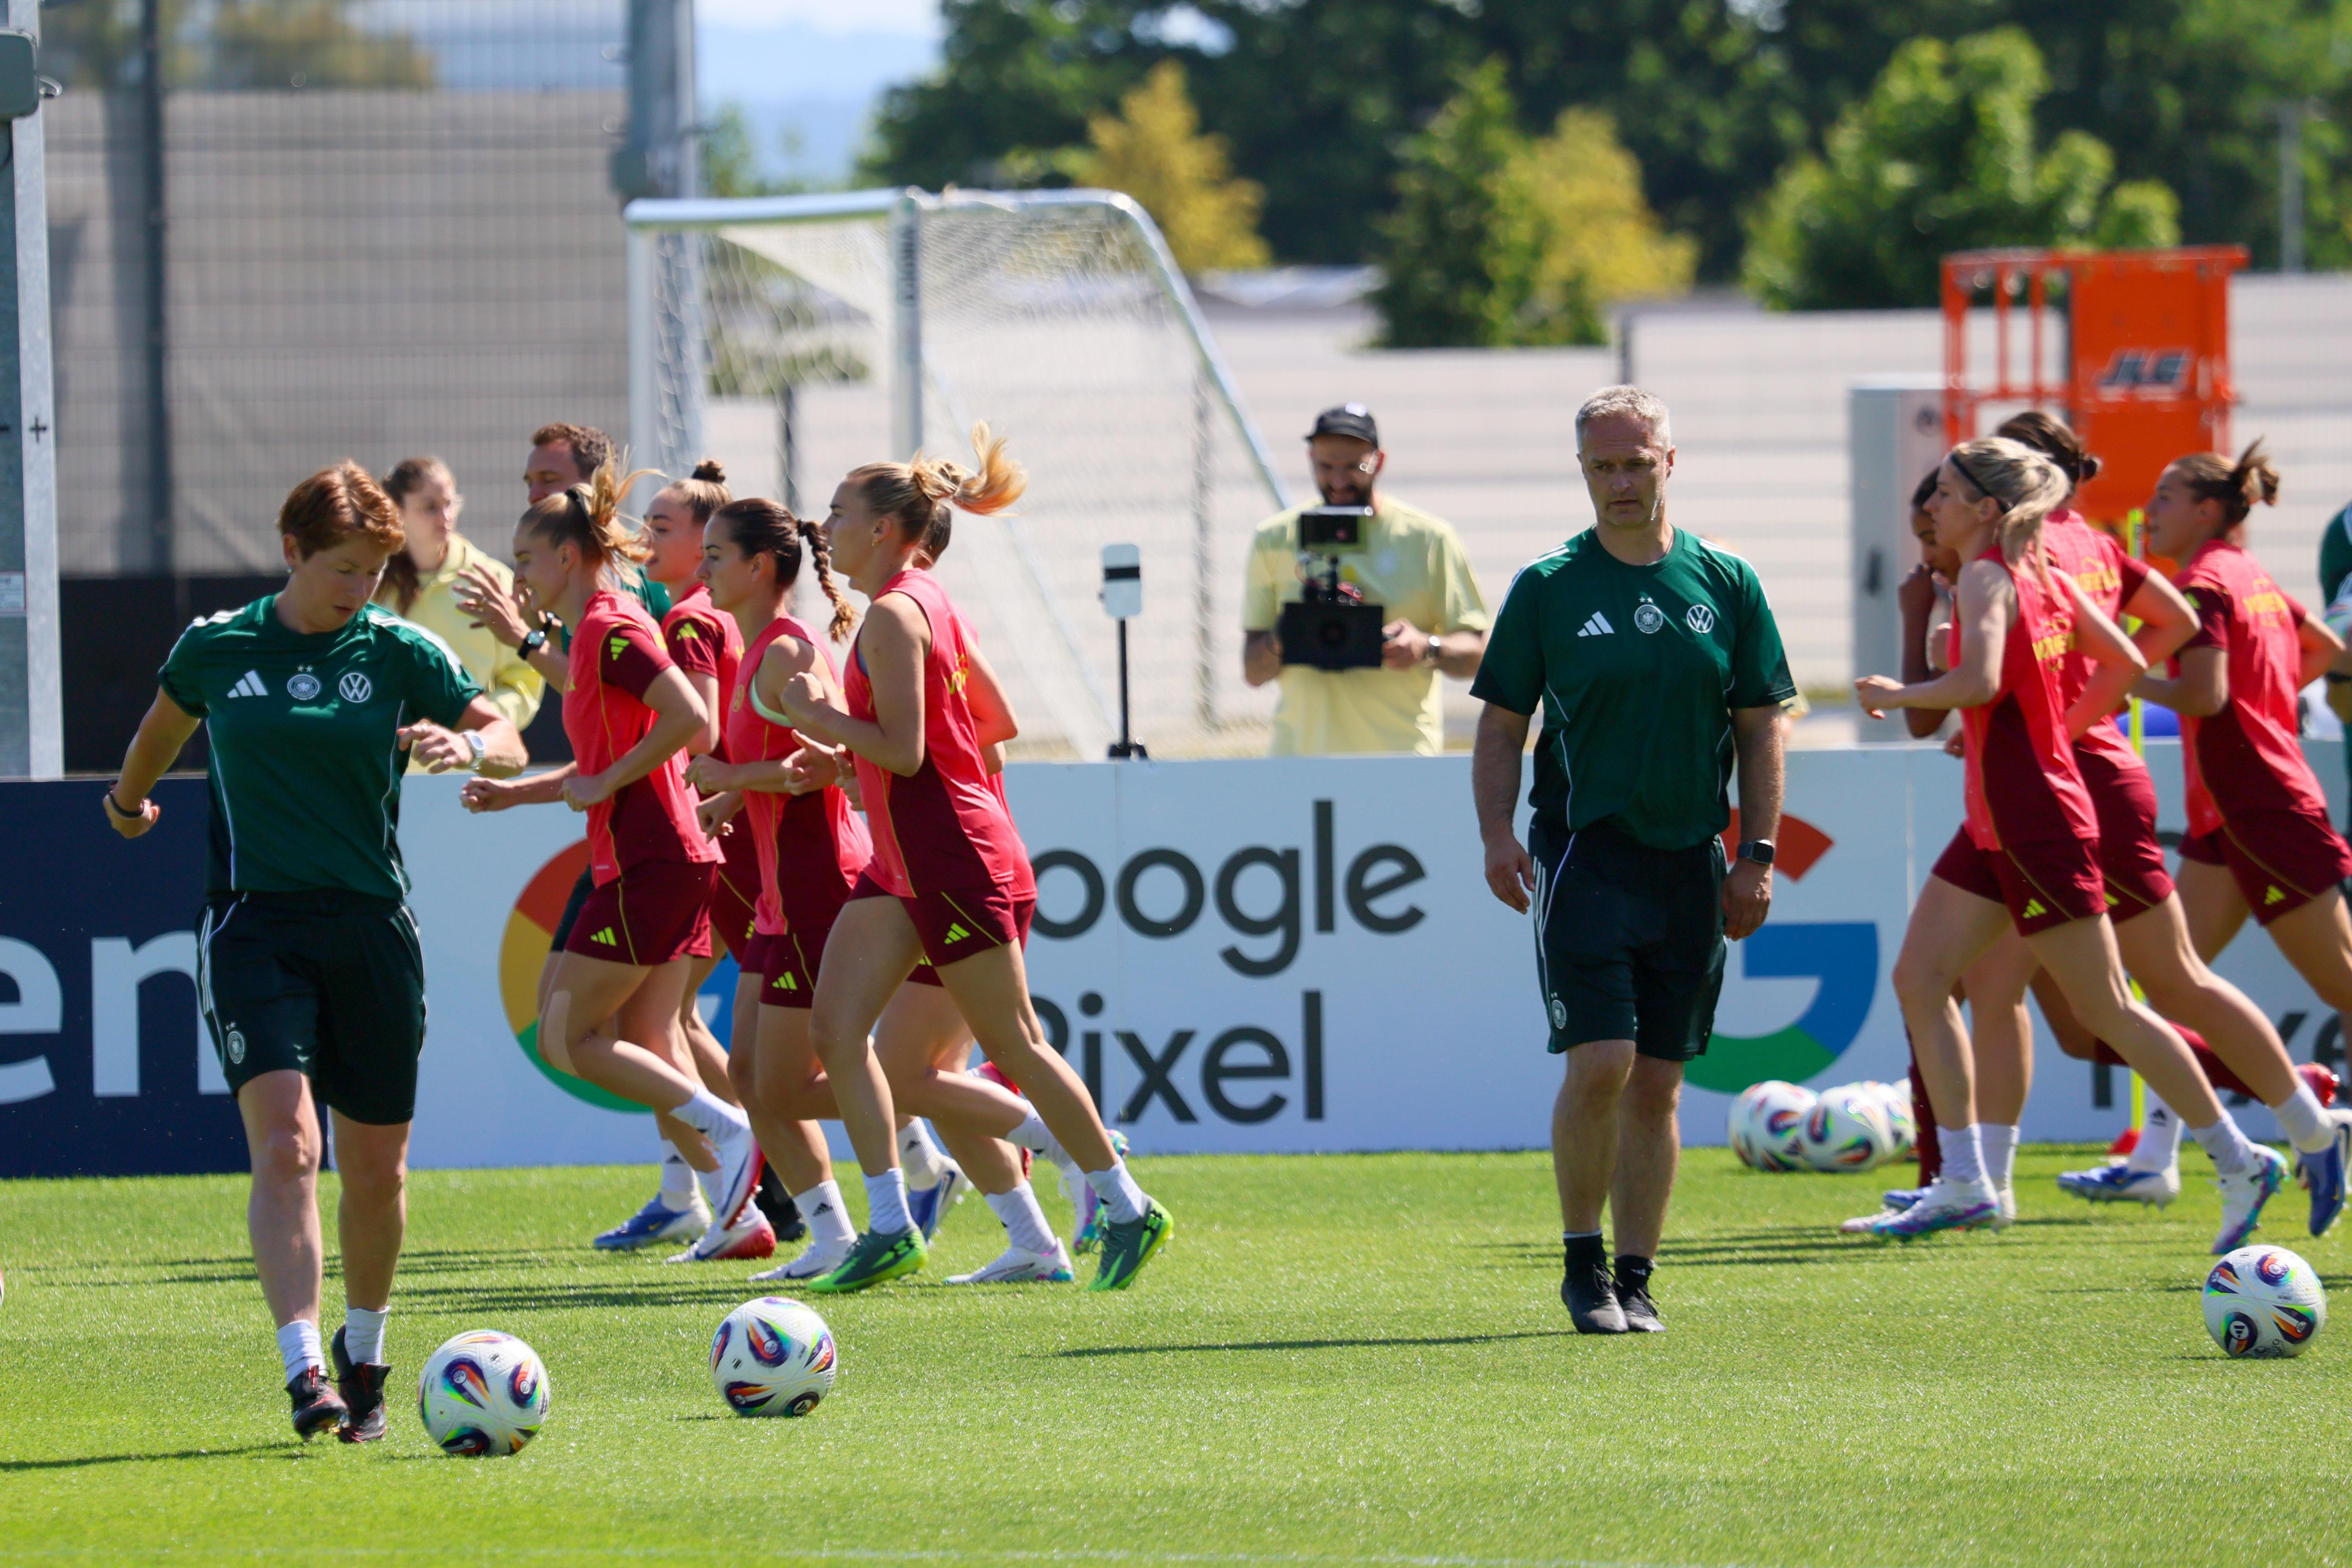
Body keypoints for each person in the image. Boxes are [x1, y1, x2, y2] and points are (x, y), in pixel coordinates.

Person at [105, 462, 527, 1441]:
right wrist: (127, 809)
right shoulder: (219, 646)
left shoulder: (397, 649)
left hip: (374, 928)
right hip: (253, 924)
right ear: (292, 551)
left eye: (376, 570)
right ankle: (304, 1370)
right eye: (343, 566)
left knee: (376, 1172)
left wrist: (473, 748)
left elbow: (502, 728)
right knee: (291, 1148)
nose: (359, 587)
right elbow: (158, 731)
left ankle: (366, 1353)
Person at [1865, 414, 2349, 1236]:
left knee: (2121, 1003)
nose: (1930, 508)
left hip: (2046, 808)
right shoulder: (2050, 559)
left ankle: (2262, 1144)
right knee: (1939, 980)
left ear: (1988, 503)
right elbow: (2128, 658)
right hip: (2027, 802)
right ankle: (1967, 1178)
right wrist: (2059, 716)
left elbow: (1984, 679)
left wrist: (1903, 691)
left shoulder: (2011, 569)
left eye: (1944, 492)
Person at [778, 425, 1174, 1293]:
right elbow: (988, 725)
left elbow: (910, 751)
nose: (826, 528)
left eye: (838, 514)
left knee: (1016, 1044)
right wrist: (851, 763)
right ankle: (891, 1227)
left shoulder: (891, 611)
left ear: (883, 530)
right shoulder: (929, 599)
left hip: (952, 860)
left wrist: (815, 716)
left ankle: (1123, 1200)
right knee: (846, 1037)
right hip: (908, 863)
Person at [1470, 386, 1794, 1335]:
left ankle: (1639, 1275)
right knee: (1602, 1059)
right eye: (1601, 466)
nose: (1620, 481)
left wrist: (1757, 853)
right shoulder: (1550, 587)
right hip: (1586, 857)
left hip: (1691, 861)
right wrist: (1497, 832)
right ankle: (1583, 1263)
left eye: (1635, 462)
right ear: (1583, 472)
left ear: (1668, 460)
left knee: (1660, 1079)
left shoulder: (1726, 581)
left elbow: (1760, 725)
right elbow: (1500, 728)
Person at [686, 499, 1013, 1282]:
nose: (701, 573)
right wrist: (730, 796)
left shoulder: (785, 652)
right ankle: (838, 1226)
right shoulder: (758, 645)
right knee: (752, 1076)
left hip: (815, 879)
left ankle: (949, 1143)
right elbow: (801, 761)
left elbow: (818, 769)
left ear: (758, 566)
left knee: (805, 1073)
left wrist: (732, 776)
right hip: (777, 888)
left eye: (713, 557)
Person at [460, 464, 767, 1254]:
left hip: (654, 856)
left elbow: (688, 717)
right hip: (654, 855)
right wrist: (514, 795)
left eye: (524, 559)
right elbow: (606, 759)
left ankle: (731, 1133)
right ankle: (738, 1214)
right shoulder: (599, 626)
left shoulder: (610, 624)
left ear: (565, 557)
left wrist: (608, 778)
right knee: (646, 1035)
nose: (517, 574)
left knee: (567, 1036)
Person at [2118, 443, 2352, 1189]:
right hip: (2231, 813)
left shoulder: (2202, 583)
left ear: (2206, 510)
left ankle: (2323, 1132)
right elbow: (2322, 647)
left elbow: (2203, 697)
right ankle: (2153, 1160)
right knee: (2169, 981)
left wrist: (2121, 676)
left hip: (2262, 807)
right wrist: (2267, 707)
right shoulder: (2243, 572)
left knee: (2343, 989)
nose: (2150, 510)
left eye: (2164, 495)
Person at [1242, 404, 1490, 756]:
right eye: (1326, 467)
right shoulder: (1275, 538)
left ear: (1379, 461)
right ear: (1310, 459)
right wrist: (1290, 634)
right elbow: (1253, 672)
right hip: (1302, 757)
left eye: (1354, 467)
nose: (1339, 482)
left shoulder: (1429, 539)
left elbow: (1479, 657)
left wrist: (1425, 647)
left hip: (1400, 757)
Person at [373, 456, 544, 750]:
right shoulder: (369, 584)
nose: (445, 517)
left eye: (450, 503)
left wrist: (474, 730)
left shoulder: (492, 581)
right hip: (382, 777)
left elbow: (523, 681)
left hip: (466, 775)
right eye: (430, 507)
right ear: (397, 512)